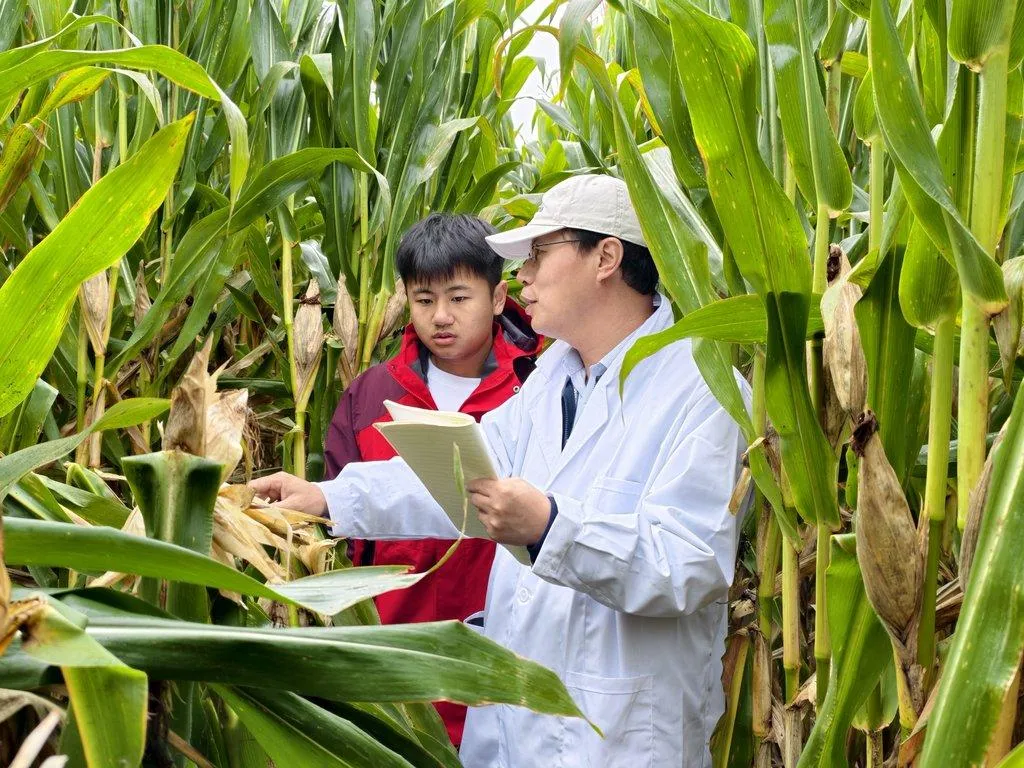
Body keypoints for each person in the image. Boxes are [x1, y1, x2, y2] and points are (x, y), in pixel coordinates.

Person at [252, 174, 748, 767]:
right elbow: (460, 477)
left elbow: (689, 565)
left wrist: (549, 528)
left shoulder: (703, 391)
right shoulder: (554, 380)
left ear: (606, 258)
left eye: (539, 254)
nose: (522, 278)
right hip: (517, 722)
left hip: (621, 736)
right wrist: (328, 499)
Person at [322, 212, 541, 748]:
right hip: (398, 651)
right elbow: (343, 530)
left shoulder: (537, 385)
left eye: (459, 297)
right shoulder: (371, 394)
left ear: (496, 296)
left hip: (506, 656)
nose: (441, 316)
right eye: (424, 300)